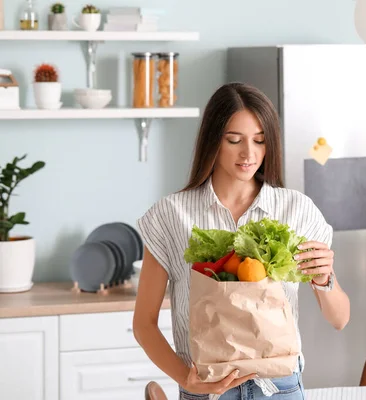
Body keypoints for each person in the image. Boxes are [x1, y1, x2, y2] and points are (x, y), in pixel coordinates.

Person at [133, 82, 351, 400]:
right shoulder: (171, 214)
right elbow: (143, 323)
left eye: (259, 141)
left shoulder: (296, 209)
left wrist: (324, 279)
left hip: (280, 389)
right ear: (213, 141)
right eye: (234, 140)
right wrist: (186, 379)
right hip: (206, 391)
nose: (249, 154)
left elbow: (340, 319)